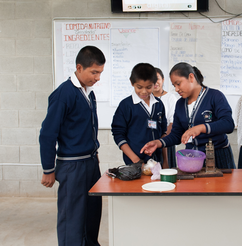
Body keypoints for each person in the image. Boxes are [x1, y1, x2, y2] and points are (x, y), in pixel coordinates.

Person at [39, 46, 105, 246]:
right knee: (73, 217)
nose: (98, 78)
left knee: (92, 212)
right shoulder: (63, 95)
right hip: (72, 166)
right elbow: (47, 134)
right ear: (79, 68)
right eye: (94, 72)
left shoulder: (89, 93)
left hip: (90, 162)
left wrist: (94, 151)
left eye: (100, 73)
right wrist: (48, 169)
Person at [141, 62, 236, 169]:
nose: (176, 89)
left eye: (178, 84)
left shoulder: (214, 96)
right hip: (192, 158)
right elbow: (176, 135)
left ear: (191, 77)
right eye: (174, 85)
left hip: (217, 157)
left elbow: (228, 124)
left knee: (220, 186)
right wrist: (158, 143)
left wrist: (201, 128)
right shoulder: (180, 104)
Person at [111, 63, 168, 165]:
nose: (144, 91)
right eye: (139, 87)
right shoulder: (126, 105)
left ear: (154, 84)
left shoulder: (159, 105)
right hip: (135, 163)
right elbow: (118, 135)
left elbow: (163, 133)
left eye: (149, 87)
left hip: (157, 162)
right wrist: (136, 160)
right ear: (132, 83)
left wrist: (165, 161)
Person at [153, 67, 179, 168]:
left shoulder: (170, 98)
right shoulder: (146, 98)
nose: (155, 82)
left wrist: (162, 140)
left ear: (163, 80)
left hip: (167, 142)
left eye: (158, 79)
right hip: (151, 142)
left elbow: (173, 122)